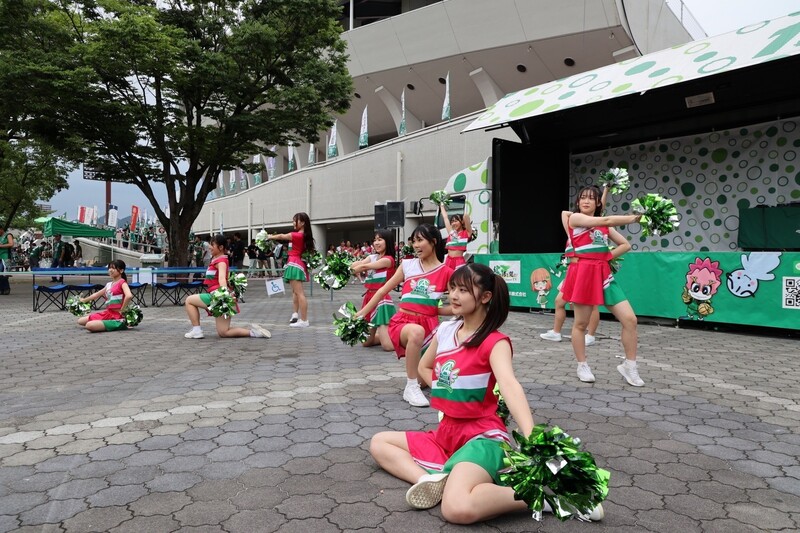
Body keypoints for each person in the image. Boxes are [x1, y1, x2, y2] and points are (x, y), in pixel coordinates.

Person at [369, 263, 605, 523]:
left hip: (481, 438)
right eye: (452, 288)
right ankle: (428, 480)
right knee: (379, 442)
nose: (453, 295)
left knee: (456, 509)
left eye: (463, 290)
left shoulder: (495, 342)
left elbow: (509, 385)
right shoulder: (446, 331)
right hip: (446, 434)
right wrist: (448, 392)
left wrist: (532, 437)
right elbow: (424, 366)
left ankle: (549, 498)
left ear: (485, 297)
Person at [357, 223, 453, 407]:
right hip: (403, 322)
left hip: (430, 327)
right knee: (416, 332)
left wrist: (433, 310)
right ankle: (410, 387)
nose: (415, 245)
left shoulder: (446, 272)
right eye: (413, 241)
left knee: (425, 379)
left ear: (433, 241)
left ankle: (417, 382)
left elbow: (457, 306)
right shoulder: (408, 265)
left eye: (420, 240)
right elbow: (382, 291)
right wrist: (362, 313)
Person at [561, 185, 644, 386]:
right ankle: (582, 365)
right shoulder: (576, 218)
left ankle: (630, 366)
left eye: (591, 198)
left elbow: (625, 245)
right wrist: (635, 218)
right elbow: (604, 220)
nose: (586, 201)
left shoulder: (604, 227)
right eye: (582, 198)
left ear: (598, 202)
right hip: (583, 273)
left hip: (603, 274)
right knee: (581, 324)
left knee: (630, 319)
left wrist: (604, 257)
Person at [183, 234, 271, 340]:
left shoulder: (220, 261)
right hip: (219, 296)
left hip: (217, 296)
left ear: (220, 247)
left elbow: (221, 279)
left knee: (189, 300)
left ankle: (197, 331)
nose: (210, 247)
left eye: (212, 245)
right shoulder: (220, 259)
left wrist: (224, 295)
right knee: (224, 332)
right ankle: (254, 333)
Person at [350, 229, 397, 351]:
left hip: (381, 300)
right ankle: (386, 336)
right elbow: (359, 263)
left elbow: (364, 266)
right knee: (366, 342)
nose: (376, 242)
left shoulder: (388, 260)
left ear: (388, 242)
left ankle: (407, 340)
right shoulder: (372, 256)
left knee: (387, 347)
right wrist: (348, 266)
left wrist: (349, 270)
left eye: (380, 240)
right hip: (369, 298)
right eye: (375, 240)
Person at [266, 212, 315, 327]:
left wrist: (269, 237)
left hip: (294, 263)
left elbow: (281, 236)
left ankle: (304, 320)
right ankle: (295, 314)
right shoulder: (303, 235)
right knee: (295, 292)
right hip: (295, 263)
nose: (293, 223)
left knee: (300, 293)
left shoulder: (298, 235)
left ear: (302, 223)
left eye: (295, 220)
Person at [76, 260, 133, 332]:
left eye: (113, 268)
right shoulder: (109, 284)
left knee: (89, 325)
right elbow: (96, 295)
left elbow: (129, 296)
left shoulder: (122, 282)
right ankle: (106, 322)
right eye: (109, 268)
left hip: (118, 316)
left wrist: (122, 310)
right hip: (108, 313)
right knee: (80, 321)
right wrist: (83, 300)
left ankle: (121, 323)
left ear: (121, 270)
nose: (110, 270)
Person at [440, 203, 472, 270]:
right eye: (452, 221)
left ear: (462, 222)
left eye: (456, 221)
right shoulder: (451, 232)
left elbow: (466, 216)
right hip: (448, 261)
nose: (453, 223)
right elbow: (445, 218)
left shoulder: (466, 233)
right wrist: (441, 205)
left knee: (459, 276)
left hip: (459, 261)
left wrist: (463, 219)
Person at [0, 226, 14, 295]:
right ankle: (1, 289)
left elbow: (11, 244)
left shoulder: (8, 235)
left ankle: (6, 288)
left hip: (5, 257)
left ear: (1, 229)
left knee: (4, 273)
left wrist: (1, 246)